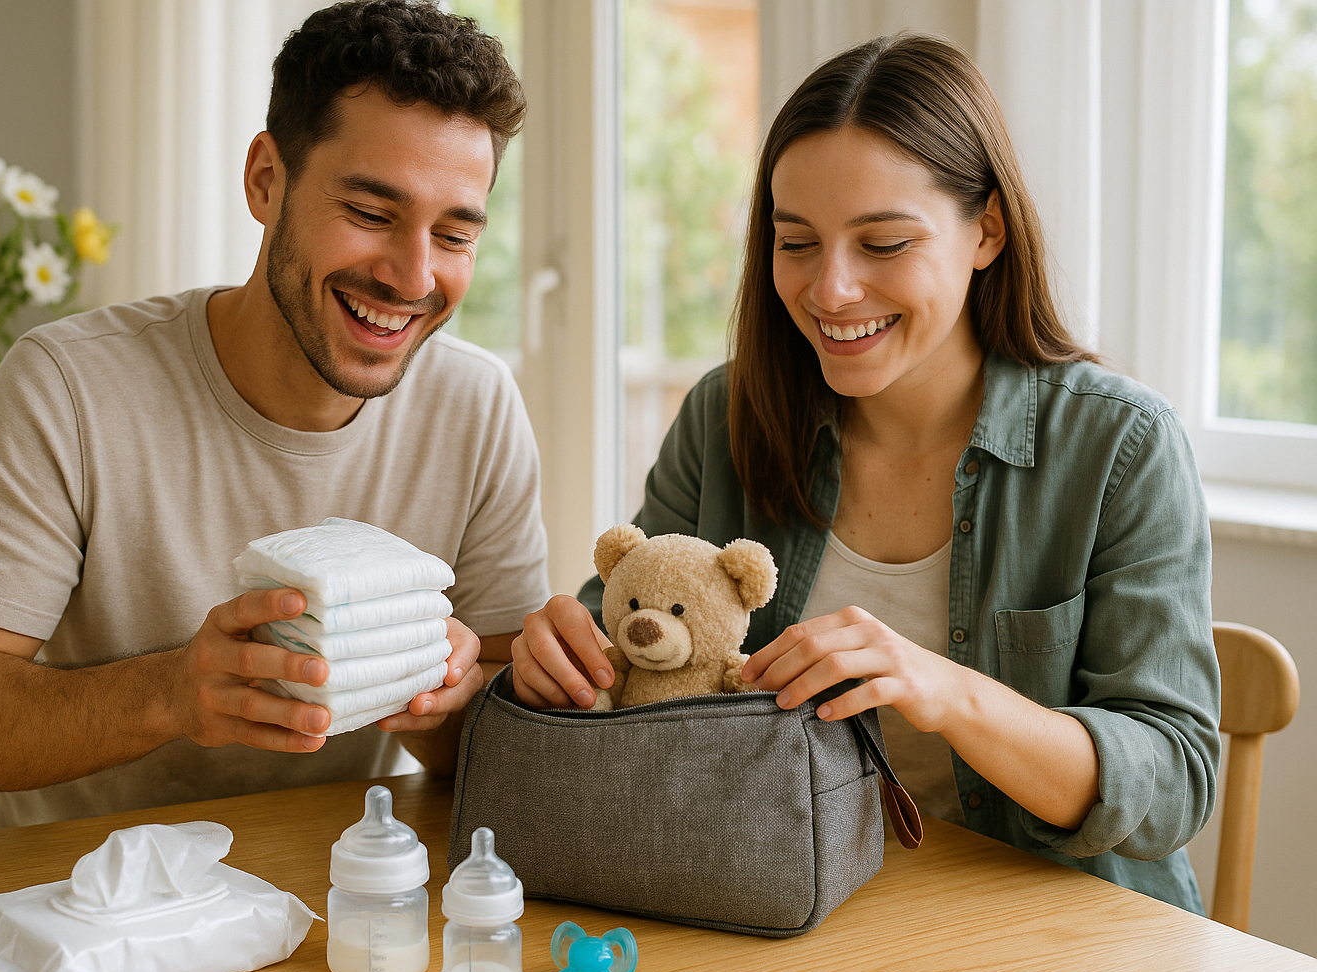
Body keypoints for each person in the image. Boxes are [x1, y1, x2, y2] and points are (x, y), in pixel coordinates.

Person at [511, 34, 1219, 912]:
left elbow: (1175, 781)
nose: (831, 290)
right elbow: (637, 647)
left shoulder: (1121, 447)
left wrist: (945, 689)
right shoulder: (725, 417)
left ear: (986, 231)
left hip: (1058, 930)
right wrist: (564, 657)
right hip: (783, 905)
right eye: (796, 242)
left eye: (883, 243)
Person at [0, 0, 549, 828]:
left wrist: (443, 695)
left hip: (333, 892)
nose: (413, 277)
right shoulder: (68, 389)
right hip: (84, 903)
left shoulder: (475, 407)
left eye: (454, 234)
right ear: (266, 180)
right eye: (372, 214)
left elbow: (488, 742)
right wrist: (170, 694)